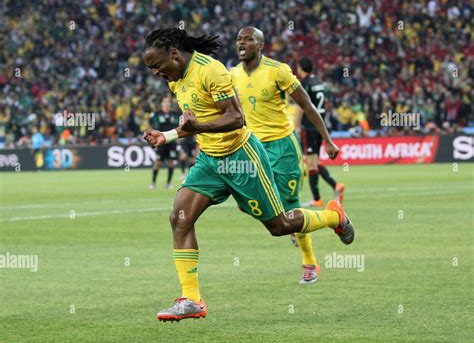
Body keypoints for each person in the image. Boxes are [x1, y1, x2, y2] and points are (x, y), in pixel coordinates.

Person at [142, 27, 354, 322]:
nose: (155, 72)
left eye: (156, 65)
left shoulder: (211, 70)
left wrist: (196, 129)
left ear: (174, 54)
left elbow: (235, 118)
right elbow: (196, 121)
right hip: (210, 161)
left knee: (280, 225)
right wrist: (167, 136)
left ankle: (334, 216)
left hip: (243, 156)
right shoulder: (175, 79)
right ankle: (191, 299)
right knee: (180, 218)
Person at [230, 27, 339, 285]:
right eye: (239, 40)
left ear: (260, 45)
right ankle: (295, 222)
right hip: (252, 147)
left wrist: (328, 140)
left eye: (248, 39)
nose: (242, 43)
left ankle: (310, 263)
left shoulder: (278, 70)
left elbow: (306, 105)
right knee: (243, 200)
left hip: (283, 147)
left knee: (290, 206)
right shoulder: (231, 74)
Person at [297, 57, 345, 206]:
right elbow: (324, 103)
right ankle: (335, 185)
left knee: (311, 164)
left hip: (309, 125)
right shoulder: (319, 82)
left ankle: (317, 199)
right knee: (315, 162)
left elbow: (301, 106)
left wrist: (297, 126)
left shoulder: (304, 84)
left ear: (300, 68)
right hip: (320, 125)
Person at [149, 95, 180, 189]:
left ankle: (168, 183)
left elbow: (179, 126)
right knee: (158, 162)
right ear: (161, 103)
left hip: (172, 142)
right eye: (165, 101)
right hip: (161, 142)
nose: (167, 103)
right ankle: (153, 183)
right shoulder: (156, 114)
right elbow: (151, 126)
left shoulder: (175, 114)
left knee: (171, 162)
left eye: (168, 101)